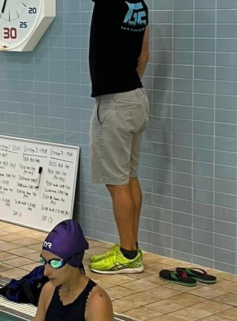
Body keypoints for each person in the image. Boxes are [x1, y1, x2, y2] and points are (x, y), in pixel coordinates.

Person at [88, 0, 151, 274]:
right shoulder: (141, 4)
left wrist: (117, 89)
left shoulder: (108, 3)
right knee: (129, 177)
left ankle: (127, 255)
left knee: (117, 183)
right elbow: (144, 55)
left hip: (115, 103)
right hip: (137, 97)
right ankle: (131, 247)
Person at [34, 220, 114, 321]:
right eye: (43, 261)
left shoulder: (97, 302)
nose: (46, 272)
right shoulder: (48, 290)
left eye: (55, 263)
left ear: (74, 261)